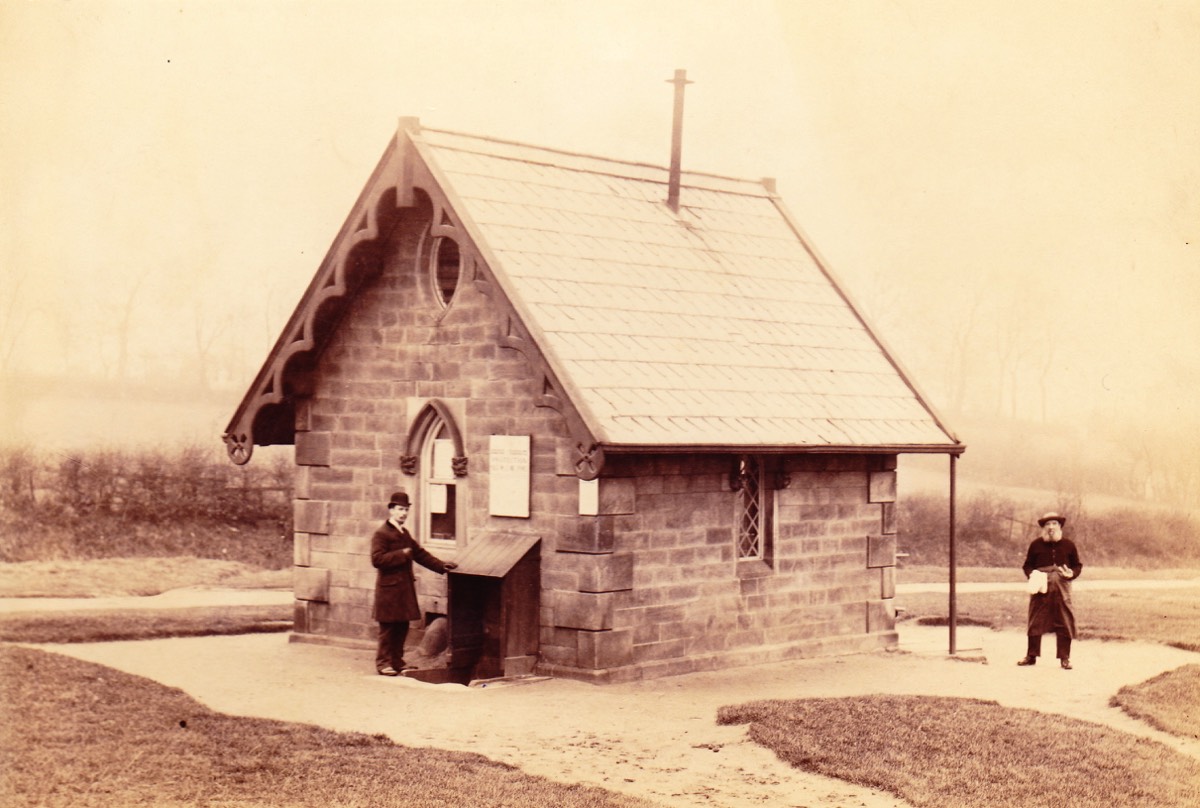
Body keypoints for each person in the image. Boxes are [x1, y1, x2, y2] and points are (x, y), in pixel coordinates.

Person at [370, 490, 456, 676]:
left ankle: (397, 661)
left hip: (402, 589)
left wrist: (442, 566)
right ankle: (383, 663)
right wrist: (402, 555)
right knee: (388, 628)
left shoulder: (404, 533)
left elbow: (420, 554)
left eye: (406, 510)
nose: (403, 513)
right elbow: (377, 559)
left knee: (402, 626)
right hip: (388, 591)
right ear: (391, 510)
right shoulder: (381, 534)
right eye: (400, 509)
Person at [1018, 512, 1083, 670]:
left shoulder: (1069, 545)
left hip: (1062, 587)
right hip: (1041, 587)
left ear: (1060, 526)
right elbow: (1027, 565)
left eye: (1054, 523)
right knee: (1035, 619)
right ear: (1043, 528)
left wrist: (1071, 574)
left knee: (1064, 619)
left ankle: (1064, 658)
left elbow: (1077, 565)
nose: (1051, 527)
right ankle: (1031, 656)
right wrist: (1032, 575)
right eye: (1047, 524)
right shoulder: (1036, 545)